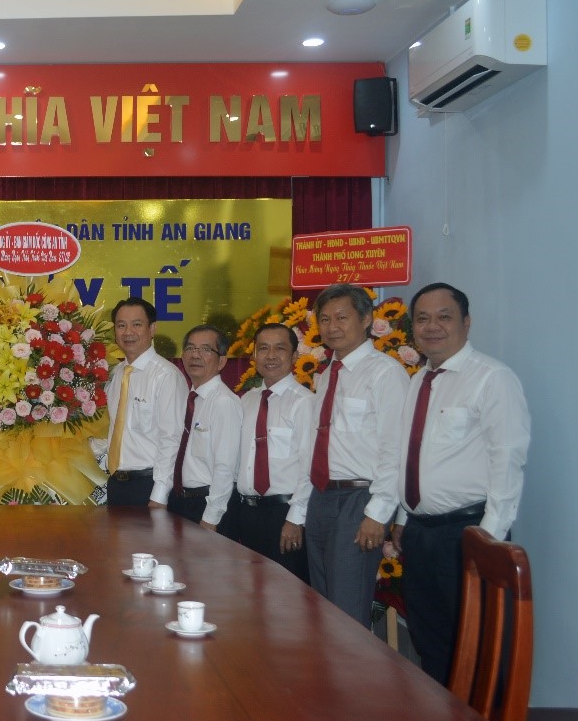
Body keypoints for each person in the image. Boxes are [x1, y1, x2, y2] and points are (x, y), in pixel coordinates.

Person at [395, 283, 530, 684]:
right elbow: (410, 454)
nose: (431, 326)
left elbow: (508, 460)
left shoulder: (492, 378)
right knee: (430, 641)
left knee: (480, 648)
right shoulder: (419, 380)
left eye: (444, 317)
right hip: (420, 534)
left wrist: (486, 541)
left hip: (467, 532)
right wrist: (402, 518)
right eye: (422, 319)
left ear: (466, 323)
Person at [288, 284, 408, 627]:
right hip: (323, 495)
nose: (332, 327)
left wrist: (378, 513)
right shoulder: (328, 374)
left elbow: (395, 448)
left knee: (347, 608)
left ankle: (354, 665)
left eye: (341, 317)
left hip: (359, 498)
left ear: (367, 319)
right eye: (324, 319)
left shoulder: (385, 373)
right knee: (322, 603)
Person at [223, 323, 313, 583]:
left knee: (287, 595)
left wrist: (295, 519)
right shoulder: (247, 401)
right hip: (248, 513)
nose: (271, 356)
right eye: (263, 348)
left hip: (284, 514)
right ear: (254, 355)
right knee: (251, 591)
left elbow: (310, 467)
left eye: (280, 348)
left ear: (294, 356)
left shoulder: (304, 402)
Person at [101, 298, 188, 507]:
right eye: (121, 325)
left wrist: (159, 495)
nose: (128, 332)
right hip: (116, 484)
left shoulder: (166, 375)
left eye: (137, 324)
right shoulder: (116, 374)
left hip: (149, 486)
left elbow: (172, 438)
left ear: (152, 329)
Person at [166, 325, 241, 530]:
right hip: (180, 501)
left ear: (222, 361)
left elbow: (225, 467)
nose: (195, 355)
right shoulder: (188, 399)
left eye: (206, 349)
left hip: (207, 505)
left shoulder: (224, 402)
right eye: (190, 348)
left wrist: (211, 517)